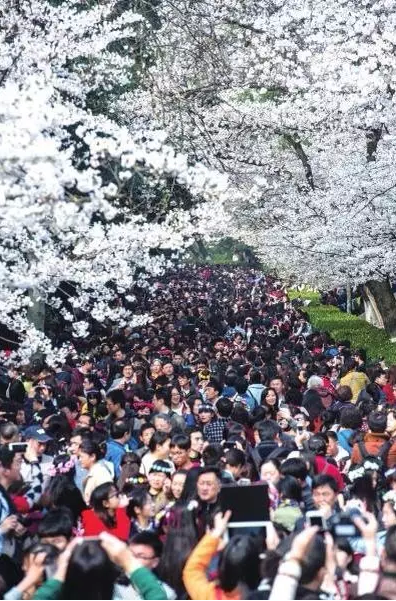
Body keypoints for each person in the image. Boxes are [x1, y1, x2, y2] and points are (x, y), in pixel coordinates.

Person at [183, 510, 261, 599]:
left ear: (222, 566)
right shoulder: (271, 595)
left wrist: (216, 533)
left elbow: (192, 570)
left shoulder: (210, 595)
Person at [78, 439, 113, 505]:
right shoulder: (94, 471)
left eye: (81, 457)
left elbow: (108, 496)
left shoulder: (101, 473)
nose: (79, 460)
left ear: (92, 456)